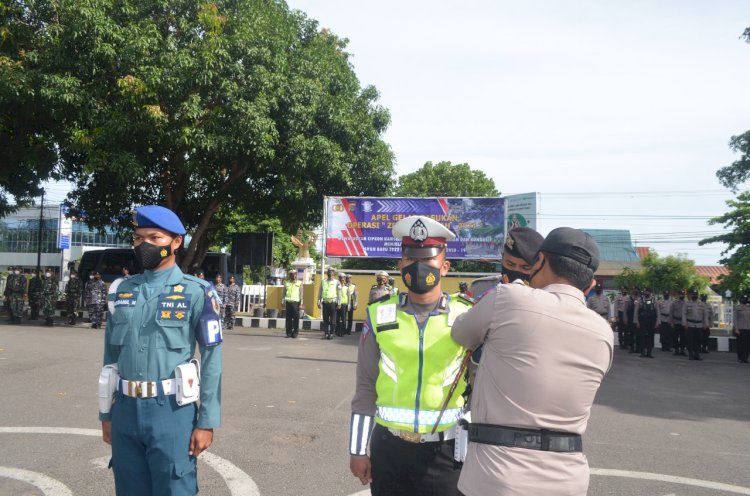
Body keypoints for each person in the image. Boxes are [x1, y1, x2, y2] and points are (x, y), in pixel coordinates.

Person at [451, 227, 614, 496]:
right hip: (568, 480)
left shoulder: (508, 297)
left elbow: (460, 333)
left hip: (498, 476)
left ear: (538, 262)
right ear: (590, 284)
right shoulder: (604, 332)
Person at [100, 204, 222, 495]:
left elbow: (212, 360)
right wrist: (106, 415)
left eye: (155, 238)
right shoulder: (121, 291)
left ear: (176, 242)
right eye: (139, 238)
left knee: (174, 487)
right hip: (125, 411)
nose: (145, 245)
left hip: (171, 410)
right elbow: (110, 358)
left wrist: (206, 422)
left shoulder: (198, 292)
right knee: (128, 487)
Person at [349, 215, 472, 496]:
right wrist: (357, 449)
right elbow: (365, 386)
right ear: (400, 265)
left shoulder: (467, 315)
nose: (419, 267)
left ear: (445, 266)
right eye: (410, 259)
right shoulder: (379, 314)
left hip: (447, 453)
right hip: (389, 450)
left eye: (428, 259)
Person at [469, 226, 545, 298]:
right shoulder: (480, 289)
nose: (516, 270)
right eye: (510, 264)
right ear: (502, 257)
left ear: (538, 266)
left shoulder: (545, 296)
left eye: (525, 268)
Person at [682, 288, 706, 361]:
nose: (694, 296)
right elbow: (684, 314)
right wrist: (684, 323)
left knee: (699, 340)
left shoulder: (702, 304)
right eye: (693, 294)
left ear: (698, 295)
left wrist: (705, 324)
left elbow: (705, 315)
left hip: (699, 325)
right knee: (690, 340)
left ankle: (697, 354)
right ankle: (690, 354)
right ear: (690, 295)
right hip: (690, 324)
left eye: (696, 294)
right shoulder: (687, 303)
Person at [633, 287, 657, 358]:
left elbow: (657, 311)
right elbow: (636, 312)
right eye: (645, 292)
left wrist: (658, 321)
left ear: (650, 292)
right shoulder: (639, 300)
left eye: (648, 292)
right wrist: (636, 321)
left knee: (651, 336)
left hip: (651, 320)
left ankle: (649, 352)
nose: (646, 293)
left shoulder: (654, 300)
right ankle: (642, 352)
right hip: (642, 320)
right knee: (642, 336)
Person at [318, 267, 341, 340]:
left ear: (334, 273)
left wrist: (339, 303)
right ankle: (326, 333)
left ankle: (331, 333)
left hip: (333, 303)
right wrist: (318, 301)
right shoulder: (323, 282)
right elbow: (320, 292)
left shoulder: (337, 282)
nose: (330, 273)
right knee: (325, 319)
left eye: (332, 272)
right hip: (325, 302)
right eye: (329, 271)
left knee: (333, 320)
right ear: (327, 273)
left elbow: (339, 293)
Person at [282, 270, 303, 338]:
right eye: (291, 274)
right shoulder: (286, 283)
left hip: (296, 303)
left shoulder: (299, 283)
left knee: (296, 319)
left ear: (296, 275)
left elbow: (301, 295)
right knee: (288, 319)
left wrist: (301, 304)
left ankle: (295, 333)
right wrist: (282, 301)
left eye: (294, 274)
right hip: (288, 303)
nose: (293, 276)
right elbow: (283, 293)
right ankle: (288, 333)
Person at [733, 295, 750, 363]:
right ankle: (740, 357)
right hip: (740, 328)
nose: (745, 300)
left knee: (747, 344)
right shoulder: (737, 307)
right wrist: (736, 329)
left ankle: (745, 358)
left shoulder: (749, 307)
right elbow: (735, 319)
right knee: (740, 344)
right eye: (744, 299)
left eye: (746, 299)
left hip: (748, 328)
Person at [671, 290, 687, 356]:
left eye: (683, 294)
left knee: (683, 337)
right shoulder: (674, 303)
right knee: (675, 337)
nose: (681, 296)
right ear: (678, 295)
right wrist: (671, 322)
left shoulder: (687, 303)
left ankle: (682, 350)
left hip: (683, 323)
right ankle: (676, 349)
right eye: (680, 294)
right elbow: (671, 313)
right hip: (676, 321)